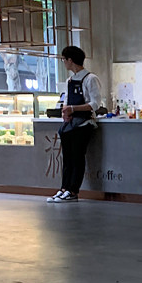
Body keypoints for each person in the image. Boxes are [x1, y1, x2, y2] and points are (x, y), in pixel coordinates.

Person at [47, 46, 103, 203]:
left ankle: (73, 190)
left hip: (84, 124)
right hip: (70, 125)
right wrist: (65, 112)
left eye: (64, 59)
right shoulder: (70, 81)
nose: (64, 62)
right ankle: (64, 188)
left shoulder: (91, 79)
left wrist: (73, 109)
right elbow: (66, 101)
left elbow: (95, 104)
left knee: (77, 158)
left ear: (70, 60)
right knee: (67, 159)